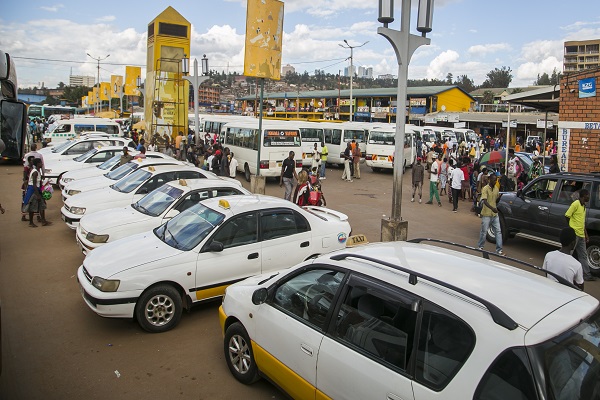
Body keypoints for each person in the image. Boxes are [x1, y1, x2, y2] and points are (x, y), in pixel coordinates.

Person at [565, 189, 596, 281]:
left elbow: (582, 222)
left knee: (583, 255)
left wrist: (586, 234)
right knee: (569, 253)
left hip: (581, 234)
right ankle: (565, 272)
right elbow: (567, 215)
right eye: (588, 195)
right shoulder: (576, 204)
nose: (589, 197)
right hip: (575, 234)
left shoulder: (583, 206)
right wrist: (571, 229)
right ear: (583, 196)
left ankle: (587, 274)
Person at [477, 173, 503, 255]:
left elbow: (496, 201)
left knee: (498, 231)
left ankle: (499, 250)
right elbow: (484, 201)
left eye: (496, 180)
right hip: (486, 214)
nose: (495, 181)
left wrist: (499, 198)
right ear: (489, 179)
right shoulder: (485, 189)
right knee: (484, 231)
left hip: (494, 215)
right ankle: (480, 246)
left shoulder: (496, 189)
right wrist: (493, 208)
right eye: (493, 179)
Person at [22, 158, 51, 227]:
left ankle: (43, 221)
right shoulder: (35, 172)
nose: (42, 164)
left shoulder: (37, 171)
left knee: (42, 206)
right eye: (41, 163)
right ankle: (31, 222)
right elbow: (34, 184)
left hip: (36, 190)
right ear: (38, 164)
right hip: (33, 191)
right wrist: (37, 195)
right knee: (32, 207)